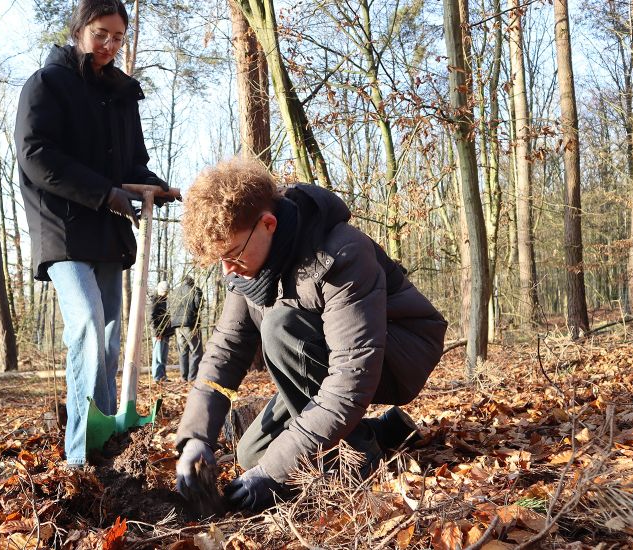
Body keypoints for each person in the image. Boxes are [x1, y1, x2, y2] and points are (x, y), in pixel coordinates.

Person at [174, 157, 447, 511]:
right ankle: (383, 431)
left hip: (400, 349)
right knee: (252, 454)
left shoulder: (341, 253)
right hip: (334, 362)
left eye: (232, 255)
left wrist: (273, 474)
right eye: (220, 261)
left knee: (280, 327)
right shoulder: (246, 270)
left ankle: (360, 455)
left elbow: (350, 381)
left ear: (268, 224)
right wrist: (196, 439)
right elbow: (224, 353)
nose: (228, 270)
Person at [14, 0, 167, 468]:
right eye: (101, 34)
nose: (109, 45)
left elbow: (132, 164)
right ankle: (81, 454)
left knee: (109, 337)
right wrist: (104, 193)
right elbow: (36, 155)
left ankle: (107, 440)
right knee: (85, 322)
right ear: (80, 29)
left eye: (118, 37)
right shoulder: (47, 83)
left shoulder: (122, 94)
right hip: (62, 227)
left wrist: (153, 186)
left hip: (108, 231)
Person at [170, 276, 203, 382]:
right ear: (192, 282)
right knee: (196, 351)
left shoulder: (174, 292)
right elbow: (199, 305)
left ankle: (184, 377)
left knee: (183, 351)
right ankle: (192, 377)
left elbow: (168, 308)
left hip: (177, 326)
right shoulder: (195, 290)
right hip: (190, 324)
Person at [150, 281, 173, 382]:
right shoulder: (154, 301)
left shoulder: (165, 301)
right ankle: (157, 377)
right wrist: (157, 333)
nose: (166, 293)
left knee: (163, 357)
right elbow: (151, 319)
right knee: (158, 356)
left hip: (165, 333)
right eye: (165, 291)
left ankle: (163, 376)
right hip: (158, 334)